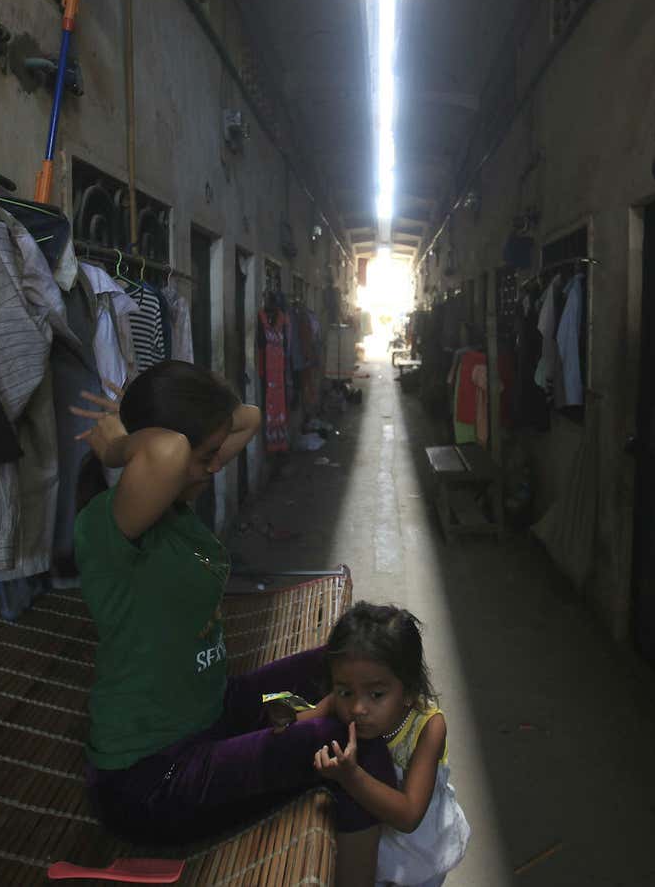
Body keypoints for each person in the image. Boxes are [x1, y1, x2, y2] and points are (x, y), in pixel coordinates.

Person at [69, 360, 397, 887]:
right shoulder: (114, 527)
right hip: (154, 778)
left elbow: (243, 417)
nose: (213, 466)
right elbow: (170, 452)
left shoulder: (176, 503)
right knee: (348, 744)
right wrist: (117, 447)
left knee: (349, 659)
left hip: (216, 710)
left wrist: (159, 424)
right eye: (204, 457)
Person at [315, 602, 472, 887]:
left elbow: (409, 815)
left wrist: (351, 776)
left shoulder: (428, 728)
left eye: (376, 694)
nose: (357, 707)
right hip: (371, 836)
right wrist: (279, 711)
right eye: (345, 691)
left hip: (418, 847)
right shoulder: (344, 701)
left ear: (410, 691)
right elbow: (303, 719)